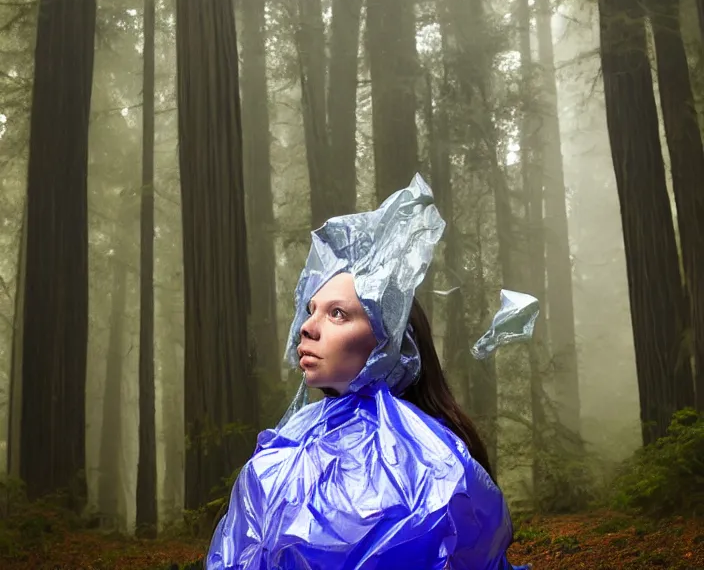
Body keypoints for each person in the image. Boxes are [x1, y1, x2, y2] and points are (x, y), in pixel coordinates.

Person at [207, 175, 533, 570]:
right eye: (312, 310)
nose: (307, 327)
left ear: (389, 338)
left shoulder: (435, 463)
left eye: (338, 314)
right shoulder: (281, 451)